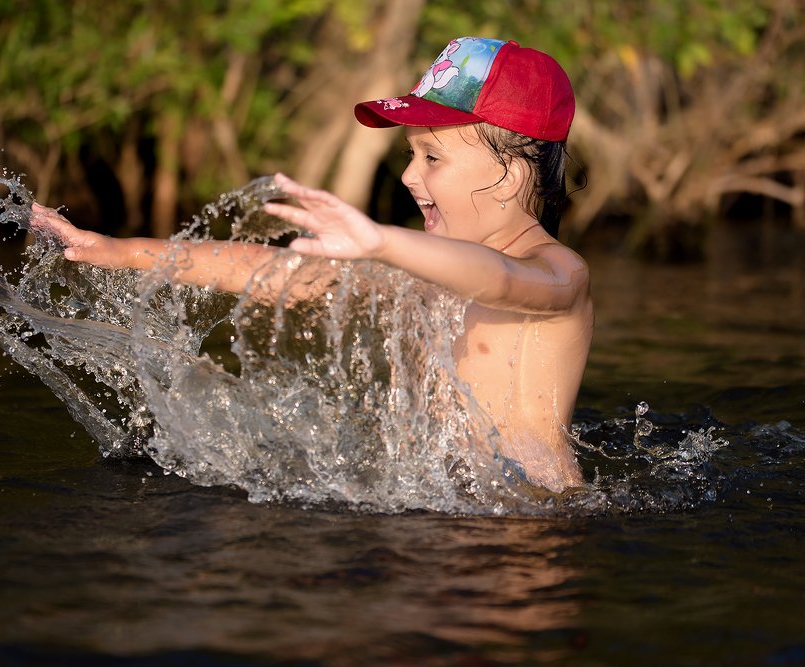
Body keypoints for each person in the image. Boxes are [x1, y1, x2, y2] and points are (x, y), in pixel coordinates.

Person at [30, 36, 593, 493]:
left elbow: (501, 281)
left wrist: (381, 242)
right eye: (409, 154)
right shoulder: (426, 269)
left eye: (432, 157)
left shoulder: (559, 272)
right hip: (449, 509)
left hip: (530, 523)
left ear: (513, 174)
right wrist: (119, 251)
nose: (408, 176)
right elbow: (280, 274)